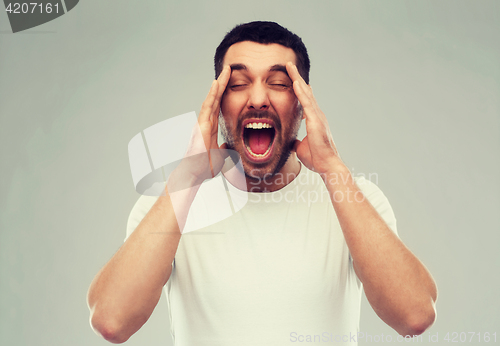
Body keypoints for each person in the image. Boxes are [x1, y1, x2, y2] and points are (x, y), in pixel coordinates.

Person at [87, 21, 437, 345]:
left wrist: (333, 168)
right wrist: (188, 175)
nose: (257, 99)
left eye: (280, 84)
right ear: (219, 104)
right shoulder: (172, 202)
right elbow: (112, 321)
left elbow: (414, 315)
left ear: (302, 105)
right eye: (238, 84)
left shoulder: (352, 198)